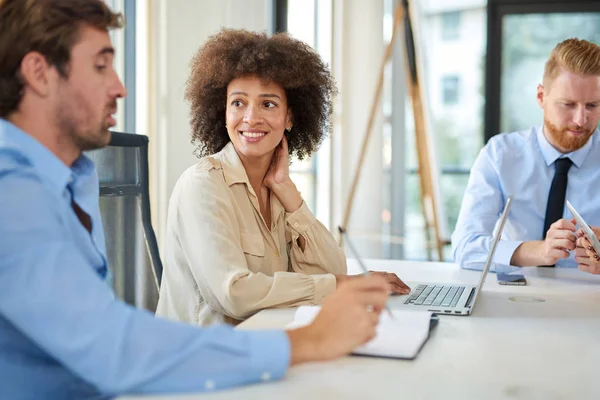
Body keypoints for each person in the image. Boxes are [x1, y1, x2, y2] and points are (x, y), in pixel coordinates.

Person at [0, 1, 393, 398]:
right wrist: (309, 342)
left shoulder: (74, 177)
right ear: (38, 73)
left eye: (268, 104)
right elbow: (112, 345)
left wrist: (290, 198)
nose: (120, 86)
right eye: (101, 65)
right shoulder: (13, 194)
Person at [155, 29, 410, 326]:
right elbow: (233, 293)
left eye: (268, 104)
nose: (251, 118)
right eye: (238, 103)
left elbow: (330, 267)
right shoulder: (202, 186)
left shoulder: (275, 185)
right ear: (222, 112)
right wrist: (345, 284)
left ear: (290, 117)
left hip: (263, 345)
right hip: (198, 360)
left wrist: (287, 192)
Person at [452, 38, 600, 273]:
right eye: (568, 104)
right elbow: (465, 247)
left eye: (592, 105)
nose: (580, 120)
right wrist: (539, 251)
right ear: (541, 97)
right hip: (517, 295)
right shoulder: (500, 155)